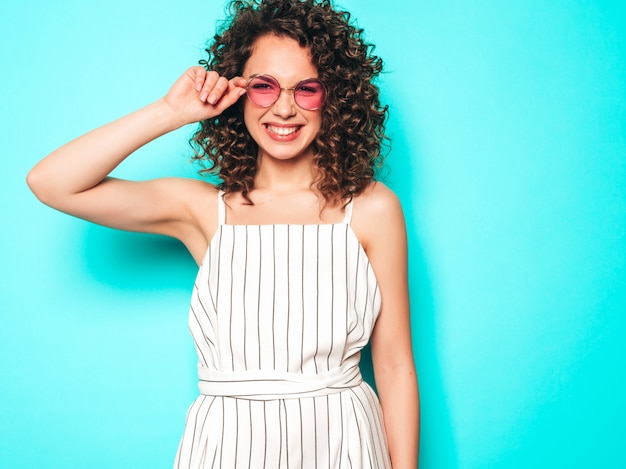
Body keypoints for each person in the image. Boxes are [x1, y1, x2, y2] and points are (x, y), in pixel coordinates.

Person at [27, 0, 419, 467]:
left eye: (306, 89)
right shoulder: (202, 210)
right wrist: (172, 111)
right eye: (264, 87)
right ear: (239, 91)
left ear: (333, 97)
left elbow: (394, 366)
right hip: (229, 443)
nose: (285, 108)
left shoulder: (374, 208)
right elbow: (51, 182)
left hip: (344, 440)